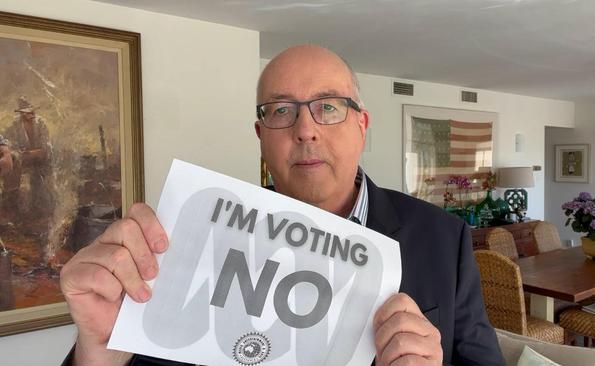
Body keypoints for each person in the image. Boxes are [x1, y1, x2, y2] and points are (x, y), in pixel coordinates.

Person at [61, 45, 504, 366]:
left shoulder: (443, 239)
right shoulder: (192, 243)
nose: (306, 129)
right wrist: (99, 355)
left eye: (328, 106)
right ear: (261, 137)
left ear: (362, 125)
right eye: (280, 111)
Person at [1, 96, 55, 222]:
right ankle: (12, 209)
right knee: (13, 166)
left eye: (32, 111)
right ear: (21, 113)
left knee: (42, 196)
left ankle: (39, 214)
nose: (31, 114)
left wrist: (30, 153)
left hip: (43, 161)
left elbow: (46, 150)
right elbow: (8, 143)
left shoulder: (41, 124)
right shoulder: (15, 125)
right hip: (23, 161)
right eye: (27, 112)